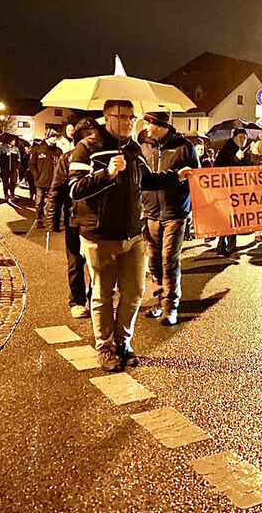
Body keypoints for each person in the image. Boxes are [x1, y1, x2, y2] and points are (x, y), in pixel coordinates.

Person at [68, 99, 179, 372]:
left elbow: (146, 181)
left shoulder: (133, 149)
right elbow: (74, 190)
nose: (130, 121)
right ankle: (105, 347)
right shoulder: (87, 149)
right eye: (123, 116)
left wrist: (177, 176)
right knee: (103, 296)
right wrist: (107, 173)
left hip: (133, 235)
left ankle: (123, 343)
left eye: (132, 116)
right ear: (107, 118)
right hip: (99, 235)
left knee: (133, 294)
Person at [139, 112, 200, 326]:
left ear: (160, 125)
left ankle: (170, 307)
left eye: (148, 123)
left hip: (175, 212)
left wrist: (192, 208)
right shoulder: (143, 146)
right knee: (153, 260)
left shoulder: (184, 147)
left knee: (169, 259)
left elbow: (196, 179)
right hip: (150, 212)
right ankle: (159, 299)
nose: (144, 126)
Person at [47, 118, 100, 319]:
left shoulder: (103, 157)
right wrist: (53, 218)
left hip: (98, 218)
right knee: (75, 262)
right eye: (88, 136)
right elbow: (57, 189)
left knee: (98, 264)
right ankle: (77, 301)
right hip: (74, 218)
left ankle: (95, 298)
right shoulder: (67, 159)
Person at [212, 128, 252, 256]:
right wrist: (235, 159)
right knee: (228, 218)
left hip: (239, 190)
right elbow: (218, 169)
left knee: (233, 218)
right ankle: (228, 246)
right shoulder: (225, 151)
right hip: (225, 191)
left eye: (245, 138)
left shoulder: (246, 152)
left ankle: (225, 245)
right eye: (241, 138)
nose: (243, 140)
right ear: (234, 138)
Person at [28, 137, 62, 228]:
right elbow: (32, 164)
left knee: (53, 202)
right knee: (39, 201)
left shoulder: (58, 151)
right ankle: (39, 219)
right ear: (48, 137)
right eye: (54, 137)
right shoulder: (37, 149)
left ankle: (53, 221)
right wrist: (37, 176)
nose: (55, 139)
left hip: (53, 181)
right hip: (40, 181)